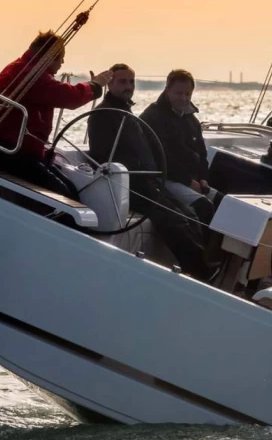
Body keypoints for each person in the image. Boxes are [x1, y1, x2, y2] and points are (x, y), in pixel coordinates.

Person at [87, 63, 215, 282]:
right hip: (126, 184)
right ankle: (200, 274)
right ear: (109, 84)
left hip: (147, 180)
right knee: (174, 219)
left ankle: (198, 270)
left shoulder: (126, 113)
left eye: (131, 81)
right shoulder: (103, 114)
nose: (128, 86)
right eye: (122, 81)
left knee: (189, 214)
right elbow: (102, 155)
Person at [0, 30, 112, 199]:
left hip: (16, 151)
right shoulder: (30, 75)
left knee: (70, 188)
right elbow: (67, 96)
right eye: (61, 57)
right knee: (65, 195)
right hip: (6, 153)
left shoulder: (22, 68)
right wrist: (95, 86)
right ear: (49, 56)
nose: (63, 62)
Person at [140, 69, 217, 223]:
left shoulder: (192, 120)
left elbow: (202, 154)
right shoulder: (153, 117)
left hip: (191, 180)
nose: (183, 98)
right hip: (165, 179)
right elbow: (162, 157)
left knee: (224, 202)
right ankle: (205, 247)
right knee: (204, 206)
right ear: (167, 91)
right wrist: (189, 181)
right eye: (179, 93)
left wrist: (203, 178)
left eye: (187, 94)